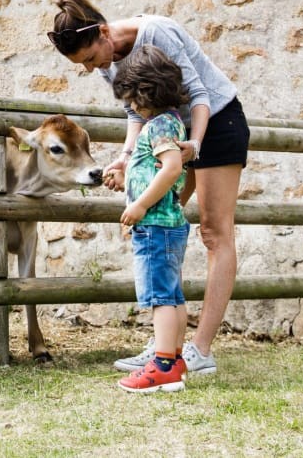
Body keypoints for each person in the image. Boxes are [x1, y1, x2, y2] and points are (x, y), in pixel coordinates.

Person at [47, 0, 249, 376]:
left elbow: (201, 95)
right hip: (166, 133)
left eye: (91, 59)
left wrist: (195, 146)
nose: (93, 69)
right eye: (83, 65)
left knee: (213, 232)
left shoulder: (157, 33)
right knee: (158, 226)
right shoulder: (107, 59)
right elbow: (133, 110)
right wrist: (126, 157)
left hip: (215, 123)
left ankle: (200, 349)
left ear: (104, 32)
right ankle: (166, 346)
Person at [111, 44, 193, 392]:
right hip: (169, 224)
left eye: (131, 98)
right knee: (173, 294)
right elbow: (172, 168)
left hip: (155, 225)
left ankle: (161, 365)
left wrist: (141, 205)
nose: (130, 106)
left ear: (145, 91)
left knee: (160, 297)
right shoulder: (172, 122)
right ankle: (175, 358)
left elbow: (172, 167)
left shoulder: (159, 125)